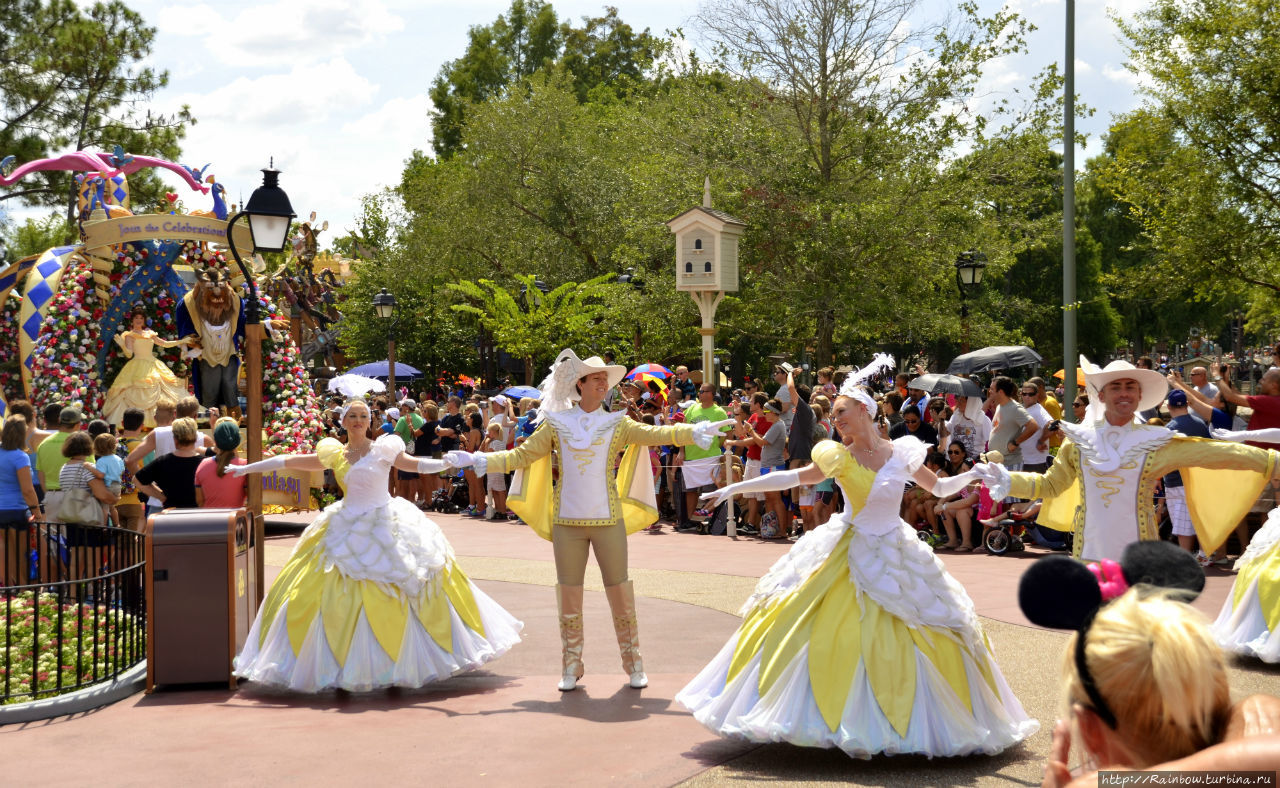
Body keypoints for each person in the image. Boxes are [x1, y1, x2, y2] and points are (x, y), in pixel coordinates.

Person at [678, 355, 1036, 757]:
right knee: (813, 620)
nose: (837, 419)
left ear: (864, 410)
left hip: (894, 548)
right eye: (833, 413)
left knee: (923, 623)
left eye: (842, 411)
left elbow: (938, 489)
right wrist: (734, 489)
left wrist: (973, 475)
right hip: (846, 544)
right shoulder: (838, 455)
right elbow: (795, 478)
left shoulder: (902, 452)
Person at [445, 349, 729, 692]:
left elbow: (652, 435)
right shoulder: (555, 423)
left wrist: (690, 431)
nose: (603, 382)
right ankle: (571, 663)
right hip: (567, 521)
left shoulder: (617, 422)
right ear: (580, 384)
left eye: (604, 379)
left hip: (607, 519)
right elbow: (522, 454)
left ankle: (633, 661)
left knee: (620, 589)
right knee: (568, 595)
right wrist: (479, 459)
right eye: (596, 378)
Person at [230, 397, 522, 691]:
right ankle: (342, 664)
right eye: (352, 415)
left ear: (370, 421)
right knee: (324, 589)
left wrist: (447, 462)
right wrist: (248, 468)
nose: (358, 420)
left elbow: (414, 464)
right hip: (345, 524)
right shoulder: (335, 453)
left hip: (387, 524)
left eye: (363, 415)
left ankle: (403, 661)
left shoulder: (384, 448)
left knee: (408, 583)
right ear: (343, 421)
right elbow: (291, 461)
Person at [977, 357, 1280, 562]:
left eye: (1130, 386)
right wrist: (1007, 479)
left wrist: (1270, 461)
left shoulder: (1155, 442)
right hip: (1090, 552)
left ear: (1139, 395)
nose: (1124, 393)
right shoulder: (1079, 443)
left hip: (1139, 556)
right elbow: (1051, 485)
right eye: (1116, 387)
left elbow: (1214, 453)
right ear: (1102, 395)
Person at [102, 307, 192, 427]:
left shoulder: (150, 334)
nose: (139, 320)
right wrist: (123, 345)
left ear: (144, 320)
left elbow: (164, 344)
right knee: (131, 390)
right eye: (136, 318)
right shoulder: (130, 335)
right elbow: (129, 354)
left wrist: (181, 341)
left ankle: (164, 423)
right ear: (132, 320)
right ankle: (134, 427)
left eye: (141, 318)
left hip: (153, 364)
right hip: (137, 366)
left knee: (163, 387)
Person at [0, 415, 42, 585]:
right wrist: (37, 512)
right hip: (16, 510)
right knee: (21, 554)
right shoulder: (20, 456)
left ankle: (8, 589)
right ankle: (23, 590)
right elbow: (27, 489)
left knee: (4, 553)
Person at [134, 418, 206, 510]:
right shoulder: (205, 463)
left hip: (171, 517)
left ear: (175, 438)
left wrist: (161, 497)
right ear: (195, 438)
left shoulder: (162, 462)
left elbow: (137, 480)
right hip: (199, 516)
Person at [36, 406, 82, 519]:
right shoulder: (81, 443)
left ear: (59, 420)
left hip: (51, 496)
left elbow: (40, 474)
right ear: (78, 424)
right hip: (75, 497)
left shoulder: (44, 444)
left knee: (53, 535)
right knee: (74, 536)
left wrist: (49, 494)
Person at [194, 418, 247, 508]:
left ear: (215, 441)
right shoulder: (244, 466)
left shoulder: (203, 465)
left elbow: (200, 501)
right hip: (235, 519)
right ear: (238, 441)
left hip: (209, 519)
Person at [93, 433, 124, 527]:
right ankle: (116, 524)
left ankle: (103, 526)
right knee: (112, 507)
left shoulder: (101, 461)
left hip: (107, 486)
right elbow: (122, 470)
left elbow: (100, 475)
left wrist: (90, 469)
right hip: (117, 486)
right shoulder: (118, 458)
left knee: (104, 508)